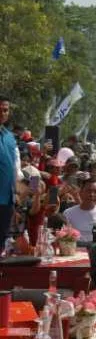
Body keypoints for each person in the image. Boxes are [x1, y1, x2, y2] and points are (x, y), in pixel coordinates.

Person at [61, 178, 96, 243]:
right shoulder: (68, 213)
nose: (91, 194)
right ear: (81, 192)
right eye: (88, 191)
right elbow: (64, 238)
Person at [0, 95, 17, 239]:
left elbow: (13, 167)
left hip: (7, 200)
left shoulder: (10, 136)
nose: (2, 113)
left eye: (5, 110)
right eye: (0, 110)